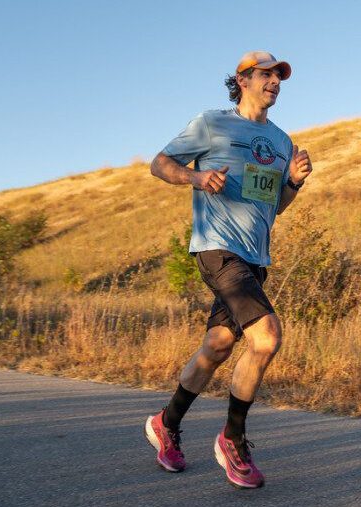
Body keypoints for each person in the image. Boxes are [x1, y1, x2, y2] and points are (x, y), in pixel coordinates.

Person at [144, 50, 312, 489]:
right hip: (218, 250)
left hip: (255, 258)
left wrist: (292, 182)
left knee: (218, 346)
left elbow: (274, 208)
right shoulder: (212, 123)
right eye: (266, 74)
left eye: (279, 76)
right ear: (242, 80)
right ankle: (232, 438)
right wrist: (196, 179)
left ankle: (166, 422)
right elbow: (159, 164)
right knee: (267, 336)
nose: (274, 81)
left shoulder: (281, 142)